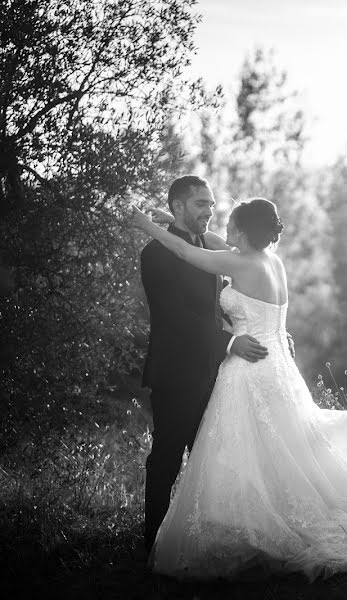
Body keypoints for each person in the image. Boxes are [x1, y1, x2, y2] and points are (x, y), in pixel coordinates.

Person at [130, 197, 347, 581]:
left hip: (250, 368)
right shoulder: (270, 261)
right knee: (283, 447)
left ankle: (256, 524)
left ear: (241, 231)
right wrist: (167, 217)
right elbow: (208, 240)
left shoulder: (237, 263)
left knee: (253, 448)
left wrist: (147, 226)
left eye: (229, 225)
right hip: (278, 366)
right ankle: (264, 515)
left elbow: (183, 249)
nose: (222, 230)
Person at [139, 175, 276, 553]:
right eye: (202, 203)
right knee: (167, 458)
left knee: (212, 459)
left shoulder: (206, 247)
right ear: (179, 206)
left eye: (212, 204)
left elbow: (214, 305)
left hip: (215, 371)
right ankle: (152, 543)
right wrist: (230, 342)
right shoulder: (156, 253)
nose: (210, 211)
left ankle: (201, 539)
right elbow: (175, 315)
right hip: (176, 372)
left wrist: (253, 328)